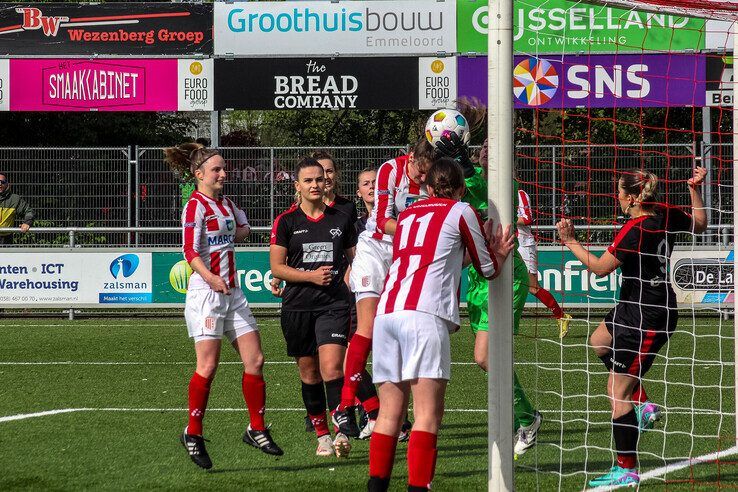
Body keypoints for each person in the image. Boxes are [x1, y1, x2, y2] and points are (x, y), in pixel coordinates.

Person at [367, 158, 515, 492]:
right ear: (460, 188)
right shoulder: (462, 210)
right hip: (423, 315)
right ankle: (419, 487)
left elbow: (436, 256)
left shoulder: (406, 215)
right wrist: (500, 254)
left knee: (390, 413)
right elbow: (488, 269)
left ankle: (375, 488)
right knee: (427, 414)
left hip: (387, 312)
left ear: (427, 188)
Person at [556, 167, 707, 488]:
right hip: (631, 306)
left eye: (621, 192)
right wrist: (695, 189)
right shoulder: (663, 212)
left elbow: (599, 268)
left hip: (648, 315)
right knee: (599, 341)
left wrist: (569, 241)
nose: (617, 197)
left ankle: (627, 468)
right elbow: (700, 224)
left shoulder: (634, 229)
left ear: (634, 198)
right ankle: (646, 403)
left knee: (616, 392)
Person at [165, 143, 283, 471]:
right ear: (198, 174)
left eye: (223, 168)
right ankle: (193, 433)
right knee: (208, 366)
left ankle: (256, 429)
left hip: (233, 292)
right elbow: (190, 252)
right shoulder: (195, 206)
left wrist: (239, 232)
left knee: (255, 359)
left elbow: (240, 231)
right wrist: (211, 277)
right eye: (216, 169)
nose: (223, 174)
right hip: (207, 294)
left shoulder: (227, 204)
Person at [436, 131, 542, 458]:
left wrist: (464, 160)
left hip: (507, 275)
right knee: (485, 358)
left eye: (494, 147)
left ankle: (527, 417)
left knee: (485, 356)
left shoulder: (506, 185)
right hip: (478, 276)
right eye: (484, 147)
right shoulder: (470, 179)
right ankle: (526, 417)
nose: (487, 152)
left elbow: (479, 189)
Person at [342, 137, 436, 441]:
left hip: (405, 255)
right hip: (373, 250)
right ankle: (345, 404)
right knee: (366, 328)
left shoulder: (432, 180)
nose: (423, 179)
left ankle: (397, 415)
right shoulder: (389, 170)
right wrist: (421, 228)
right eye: (421, 172)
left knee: (400, 333)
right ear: (411, 158)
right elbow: (382, 220)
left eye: (428, 174)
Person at [269, 157, 359, 458]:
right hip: (297, 307)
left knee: (332, 367)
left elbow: (355, 261)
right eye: (308, 180)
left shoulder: (341, 219)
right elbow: (277, 268)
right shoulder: (286, 222)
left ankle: (342, 430)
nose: (315, 185)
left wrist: (354, 284)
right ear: (298, 186)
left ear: (326, 182)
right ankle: (322, 435)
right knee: (309, 374)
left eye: (319, 179)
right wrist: (309, 276)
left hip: (333, 304)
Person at [516, 185, 572, 337]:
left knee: (532, 287)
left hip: (524, 246)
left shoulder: (519, 193)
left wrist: (507, 217)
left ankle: (561, 316)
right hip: (508, 244)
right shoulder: (496, 195)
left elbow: (528, 219)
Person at [0, 173, 34, 245]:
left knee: (6, 256)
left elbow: (28, 211)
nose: (0, 184)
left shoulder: (15, 199)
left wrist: (27, 223)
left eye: (2, 182)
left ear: (7, 184)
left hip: (6, 240)